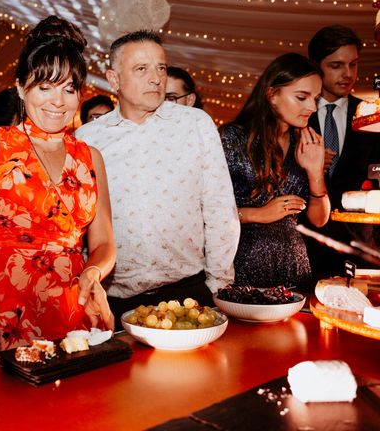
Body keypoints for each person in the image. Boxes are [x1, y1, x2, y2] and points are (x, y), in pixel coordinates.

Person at [0, 15, 115, 359]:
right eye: (45, 86)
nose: (58, 101)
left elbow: (104, 243)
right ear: (22, 87)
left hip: (75, 308)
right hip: (2, 307)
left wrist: (94, 272)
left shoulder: (91, 157)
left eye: (70, 89)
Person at [76, 30, 239, 326]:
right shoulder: (87, 139)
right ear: (113, 79)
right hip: (114, 298)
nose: (156, 78)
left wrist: (218, 285)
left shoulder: (195, 124)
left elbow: (219, 207)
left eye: (161, 68)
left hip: (187, 293)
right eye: (142, 69)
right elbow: (79, 224)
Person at [220, 53, 330, 288]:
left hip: (295, 265)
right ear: (271, 95)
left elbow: (320, 220)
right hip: (242, 265)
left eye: (316, 98)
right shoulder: (231, 138)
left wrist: (315, 172)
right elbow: (205, 213)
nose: (312, 107)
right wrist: (256, 214)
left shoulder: (306, 142)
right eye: (302, 97)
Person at [303, 25, 380, 281]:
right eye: (336, 65)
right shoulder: (296, 115)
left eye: (353, 64)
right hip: (304, 250)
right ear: (316, 66)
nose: (348, 74)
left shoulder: (371, 116)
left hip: (360, 251)